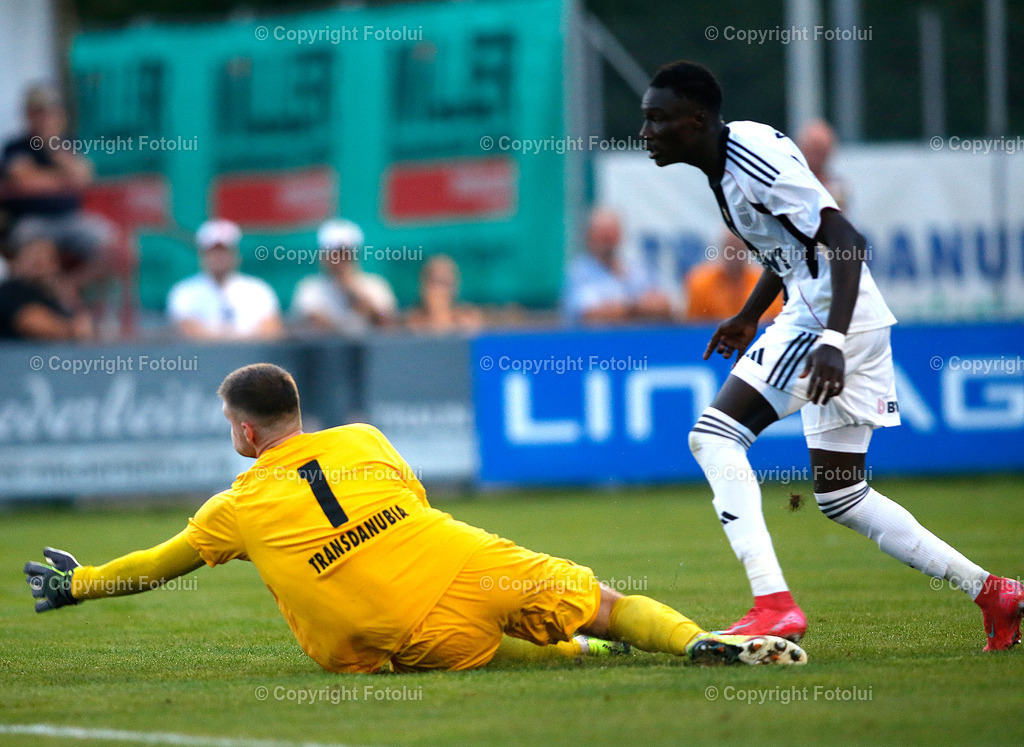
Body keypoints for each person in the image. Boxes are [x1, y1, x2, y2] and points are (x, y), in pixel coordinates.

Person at [24, 363, 807, 672]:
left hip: (386, 634)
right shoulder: (362, 436)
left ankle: (584, 648)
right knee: (598, 598)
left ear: (243, 431)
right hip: (458, 559)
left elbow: (157, 566)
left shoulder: (230, 508)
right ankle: (696, 641)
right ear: (298, 410)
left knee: (492, 650)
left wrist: (80, 583)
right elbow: (416, 506)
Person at [640, 60, 1022, 650]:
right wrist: (748, 314)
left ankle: (772, 603)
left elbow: (846, 241)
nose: (647, 132)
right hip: (843, 316)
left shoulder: (751, 156)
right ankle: (995, 593)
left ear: (695, 120)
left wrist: (833, 343)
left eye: (657, 119)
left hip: (828, 318)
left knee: (713, 437)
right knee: (843, 495)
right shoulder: (722, 165)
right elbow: (791, 248)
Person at [0, 84, 115, 303]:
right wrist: (63, 179)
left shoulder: (67, 143)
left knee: (113, 248)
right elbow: (26, 182)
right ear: (27, 114)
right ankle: (45, 303)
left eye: (49, 111)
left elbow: (83, 176)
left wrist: (52, 145)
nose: (44, 117)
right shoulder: (15, 146)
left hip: (71, 219)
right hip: (32, 221)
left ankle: (67, 287)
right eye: (38, 111)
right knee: (36, 251)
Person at [167, 219, 284, 340]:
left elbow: (272, 330)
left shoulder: (258, 289)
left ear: (236, 253)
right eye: (213, 251)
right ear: (201, 254)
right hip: (203, 357)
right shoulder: (184, 291)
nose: (218, 257)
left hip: (251, 357)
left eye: (224, 251)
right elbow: (186, 330)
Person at [563, 208, 672, 325]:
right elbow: (590, 314)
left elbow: (663, 307)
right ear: (589, 235)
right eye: (601, 232)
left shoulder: (637, 270)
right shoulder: (579, 273)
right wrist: (638, 308)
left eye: (611, 231)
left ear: (620, 235)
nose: (606, 237)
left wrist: (620, 308)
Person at [291, 219, 397, 334]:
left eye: (345, 254)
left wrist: (370, 310)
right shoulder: (309, 289)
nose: (339, 260)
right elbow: (298, 327)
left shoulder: (375, 285)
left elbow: (388, 320)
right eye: (334, 254)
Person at [0, 224, 93, 341]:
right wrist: (71, 329)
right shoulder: (11, 289)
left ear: (55, 264)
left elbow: (83, 323)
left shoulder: (50, 293)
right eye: (33, 257)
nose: (39, 263)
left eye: (45, 258)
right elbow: (30, 322)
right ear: (19, 259)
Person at [684, 229, 783, 322]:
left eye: (739, 250)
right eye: (730, 250)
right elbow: (693, 325)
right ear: (722, 249)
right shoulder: (700, 282)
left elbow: (773, 319)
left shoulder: (764, 283)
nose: (734, 255)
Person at [405, 254, 483, 334]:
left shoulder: (468, 322)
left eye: (444, 283)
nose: (438, 289)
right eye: (433, 282)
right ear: (422, 286)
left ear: (454, 287)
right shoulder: (409, 323)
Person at [797, 119, 848, 211]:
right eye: (813, 150)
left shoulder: (837, 187)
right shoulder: (791, 182)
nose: (816, 158)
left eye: (821, 151)